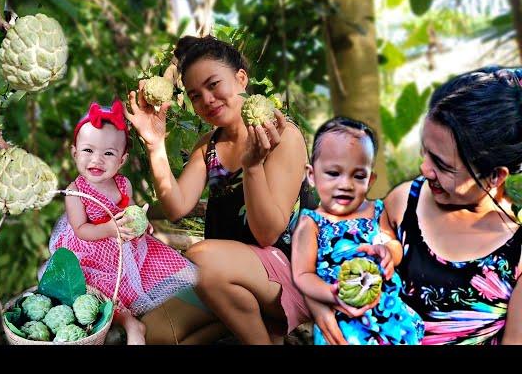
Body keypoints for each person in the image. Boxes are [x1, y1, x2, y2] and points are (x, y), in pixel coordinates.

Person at [313, 67, 522, 345]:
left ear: (495, 176)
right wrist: (321, 305)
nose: (424, 169)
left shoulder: (517, 257)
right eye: (425, 152)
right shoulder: (403, 203)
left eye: (443, 165)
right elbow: (331, 261)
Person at [125, 35, 311, 344]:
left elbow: (267, 234)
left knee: (200, 257)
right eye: (196, 95)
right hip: (221, 276)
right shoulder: (208, 145)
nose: (207, 100)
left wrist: (253, 167)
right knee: (154, 333)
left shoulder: (281, 136)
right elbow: (176, 207)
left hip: (286, 275)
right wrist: (155, 143)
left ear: (240, 79)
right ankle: (243, 316)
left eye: (214, 85)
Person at [47, 99, 198, 345]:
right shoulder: (75, 192)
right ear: (75, 153)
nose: (97, 160)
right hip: (90, 251)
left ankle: (186, 304)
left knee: (157, 266)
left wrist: (140, 223)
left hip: (124, 247)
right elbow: (82, 230)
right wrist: (109, 229)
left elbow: (129, 212)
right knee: (96, 288)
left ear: (122, 160)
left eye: (108, 153)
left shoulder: (122, 184)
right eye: (88, 151)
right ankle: (130, 323)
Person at [291, 117, 424, 345]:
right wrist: (330, 293)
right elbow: (303, 274)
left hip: (388, 309)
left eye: (358, 176)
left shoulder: (376, 210)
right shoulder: (310, 223)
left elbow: (392, 242)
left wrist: (389, 252)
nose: (346, 184)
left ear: (370, 180)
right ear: (312, 176)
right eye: (334, 173)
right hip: (344, 315)